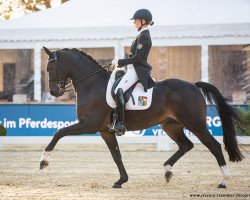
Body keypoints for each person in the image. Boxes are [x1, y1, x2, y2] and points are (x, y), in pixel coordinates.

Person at [110, 8, 156, 135]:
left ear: (143, 21)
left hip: (138, 70)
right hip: (133, 68)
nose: (134, 23)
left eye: (136, 21)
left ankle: (120, 123)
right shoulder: (141, 35)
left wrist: (119, 62)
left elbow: (138, 58)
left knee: (118, 90)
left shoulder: (144, 37)